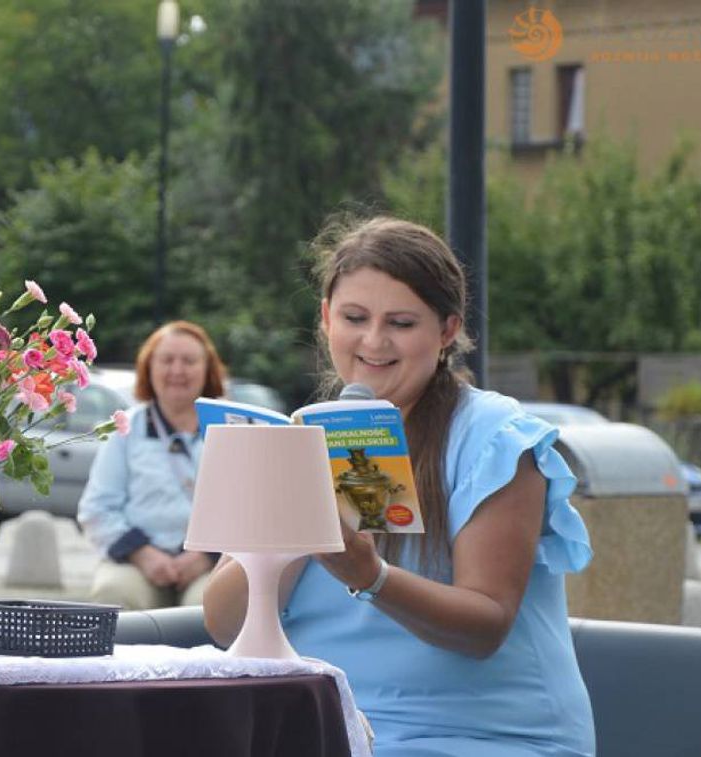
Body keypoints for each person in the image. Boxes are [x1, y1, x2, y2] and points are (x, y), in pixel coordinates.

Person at [203, 217, 596, 756]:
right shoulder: (297, 431)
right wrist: (293, 525)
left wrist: (371, 575)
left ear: (448, 330)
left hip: (483, 739)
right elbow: (225, 624)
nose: (374, 341)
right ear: (325, 319)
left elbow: (484, 627)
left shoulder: (495, 438)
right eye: (354, 318)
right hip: (332, 732)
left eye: (402, 323)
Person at [78, 320, 227, 610]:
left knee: (211, 606)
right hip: (137, 562)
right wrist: (142, 554)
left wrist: (206, 555)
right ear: (148, 367)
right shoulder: (123, 429)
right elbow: (97, 509)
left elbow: (248, 511)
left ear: (208, 370)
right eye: (167, 360)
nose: (177, 371)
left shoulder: (229, 428)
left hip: (212, 563)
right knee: (114, 593)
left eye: (189, 361)